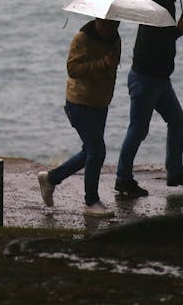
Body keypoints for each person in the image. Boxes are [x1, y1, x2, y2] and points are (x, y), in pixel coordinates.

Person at [115, 0, 183, 197]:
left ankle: (174, 172)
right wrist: (178, 31)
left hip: (160, 79)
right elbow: (154, 41)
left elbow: (161, 38)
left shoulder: (168, 5)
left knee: (177, 120)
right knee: (138, 129)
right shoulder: (154, 8)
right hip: (145, 79)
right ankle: (123, 178)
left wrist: (175, 30)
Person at [38, 17, 121, 217]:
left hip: (100, 103)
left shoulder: (115, 39)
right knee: (97, 151)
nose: (107, 28)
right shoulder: (81, 39)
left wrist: (110, 64)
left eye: (112, 25)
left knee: (89, 152)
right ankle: (91, 201)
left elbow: (112, 67)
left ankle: (51, 179)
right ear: (96, 20)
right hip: (79, 103)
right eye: (103, 23)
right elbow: (72, 69)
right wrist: (102, 63)